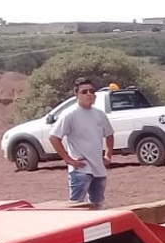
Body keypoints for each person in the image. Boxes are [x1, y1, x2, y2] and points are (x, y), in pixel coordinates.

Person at [48, 77, 115, 208]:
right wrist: (68, 159)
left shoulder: (99, 114)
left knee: (98, 206)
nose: (89, 94)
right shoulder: (69, 114)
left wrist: (108, 155)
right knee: (76, 206)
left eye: (92, 91)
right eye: (84, 92)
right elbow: (54, 137)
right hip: (81, 170)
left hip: (99, 169)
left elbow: (109, 134)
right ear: (76, 94)